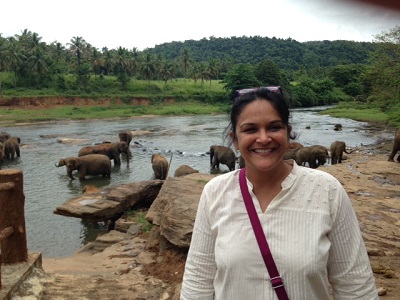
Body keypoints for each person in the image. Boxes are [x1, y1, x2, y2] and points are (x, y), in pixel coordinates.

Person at [180, 87, 378, 299]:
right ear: (235, 140)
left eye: (274, 127)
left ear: (287, 133)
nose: (263, 139)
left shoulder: (327, 190)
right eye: (250, 130)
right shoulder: (215, 192)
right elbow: (198, 283)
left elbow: (356, 288)